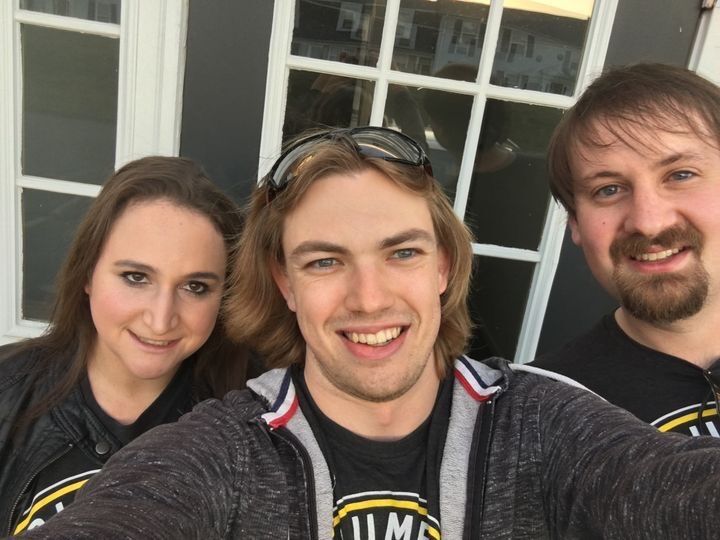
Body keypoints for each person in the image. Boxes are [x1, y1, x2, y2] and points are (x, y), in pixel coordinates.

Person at [19, 127, 720, 539]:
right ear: (286, 284)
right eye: (325, 261)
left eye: (402, 252)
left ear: (444, 265)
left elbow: (667, 489)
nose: (369, 297)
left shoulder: (542, 421)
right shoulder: (224, 445)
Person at [0, 156, 255, 535]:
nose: (160, 318)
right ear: (87, 274)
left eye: (195, 287)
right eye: (136, 277)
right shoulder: (7, 391)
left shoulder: (250, 418)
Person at [530, 63, 720, 437]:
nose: (648, 222)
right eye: (609, 189)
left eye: (680, 175)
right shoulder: (542, 418)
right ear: (575, 224)